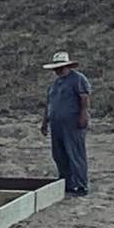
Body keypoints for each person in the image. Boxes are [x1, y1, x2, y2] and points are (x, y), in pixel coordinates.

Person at [40, 51, 91, 196]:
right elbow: (49, 104)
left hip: (72, 123)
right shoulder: (55, 84)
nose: (58, 70)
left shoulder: (78, 79)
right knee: (59, 154)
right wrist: (45, 122)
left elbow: (84, 98)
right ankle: (67, 183)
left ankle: (81, 185)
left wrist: (83, 116)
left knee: (75, 153)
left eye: (60, 67)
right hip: (56, 123)